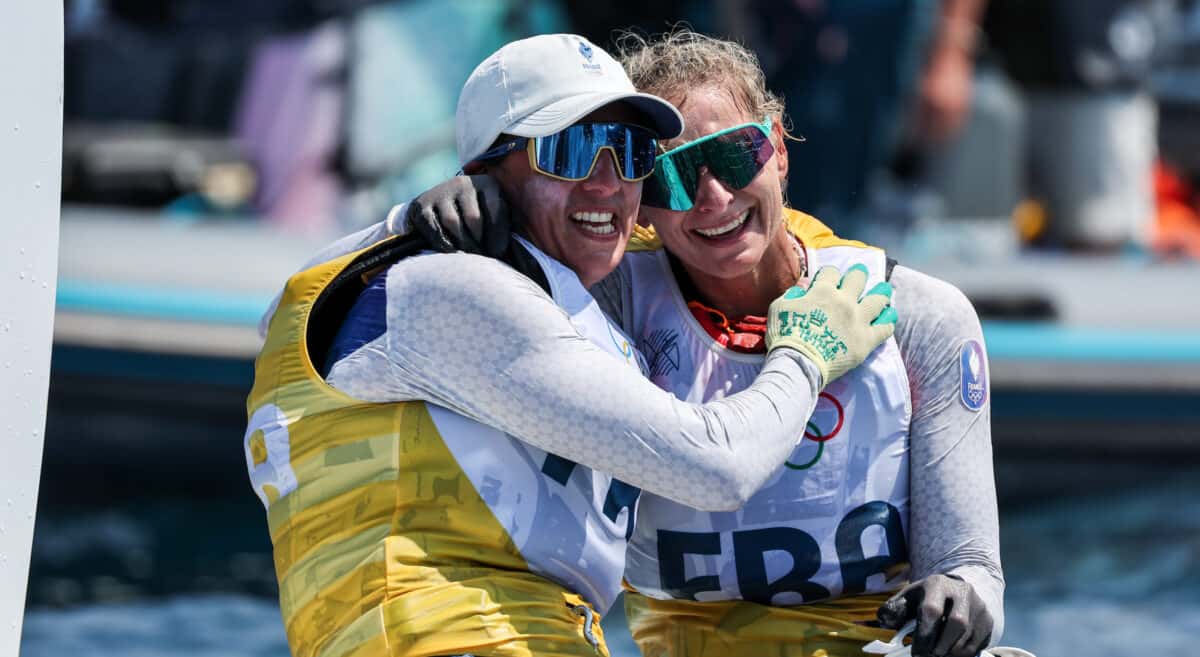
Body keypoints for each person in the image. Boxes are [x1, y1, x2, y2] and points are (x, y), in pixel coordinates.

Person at [244, 33, 897, 657]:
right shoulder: (448, 284)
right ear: (485, 172)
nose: (608, 183)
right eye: (573, 150)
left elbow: (762, 231)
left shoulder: (587, 310)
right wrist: (807, 352)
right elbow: (717, 468)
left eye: (631, 153)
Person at [399, 29, 1007, 657]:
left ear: (780, 150)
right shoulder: (603, 304)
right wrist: (458, 208)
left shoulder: (921, 320)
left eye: (737, 156)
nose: (714, 198)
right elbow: (483, 270)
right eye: (671, 176)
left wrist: (960, 598)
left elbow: (972, 566)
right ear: (639, 199)